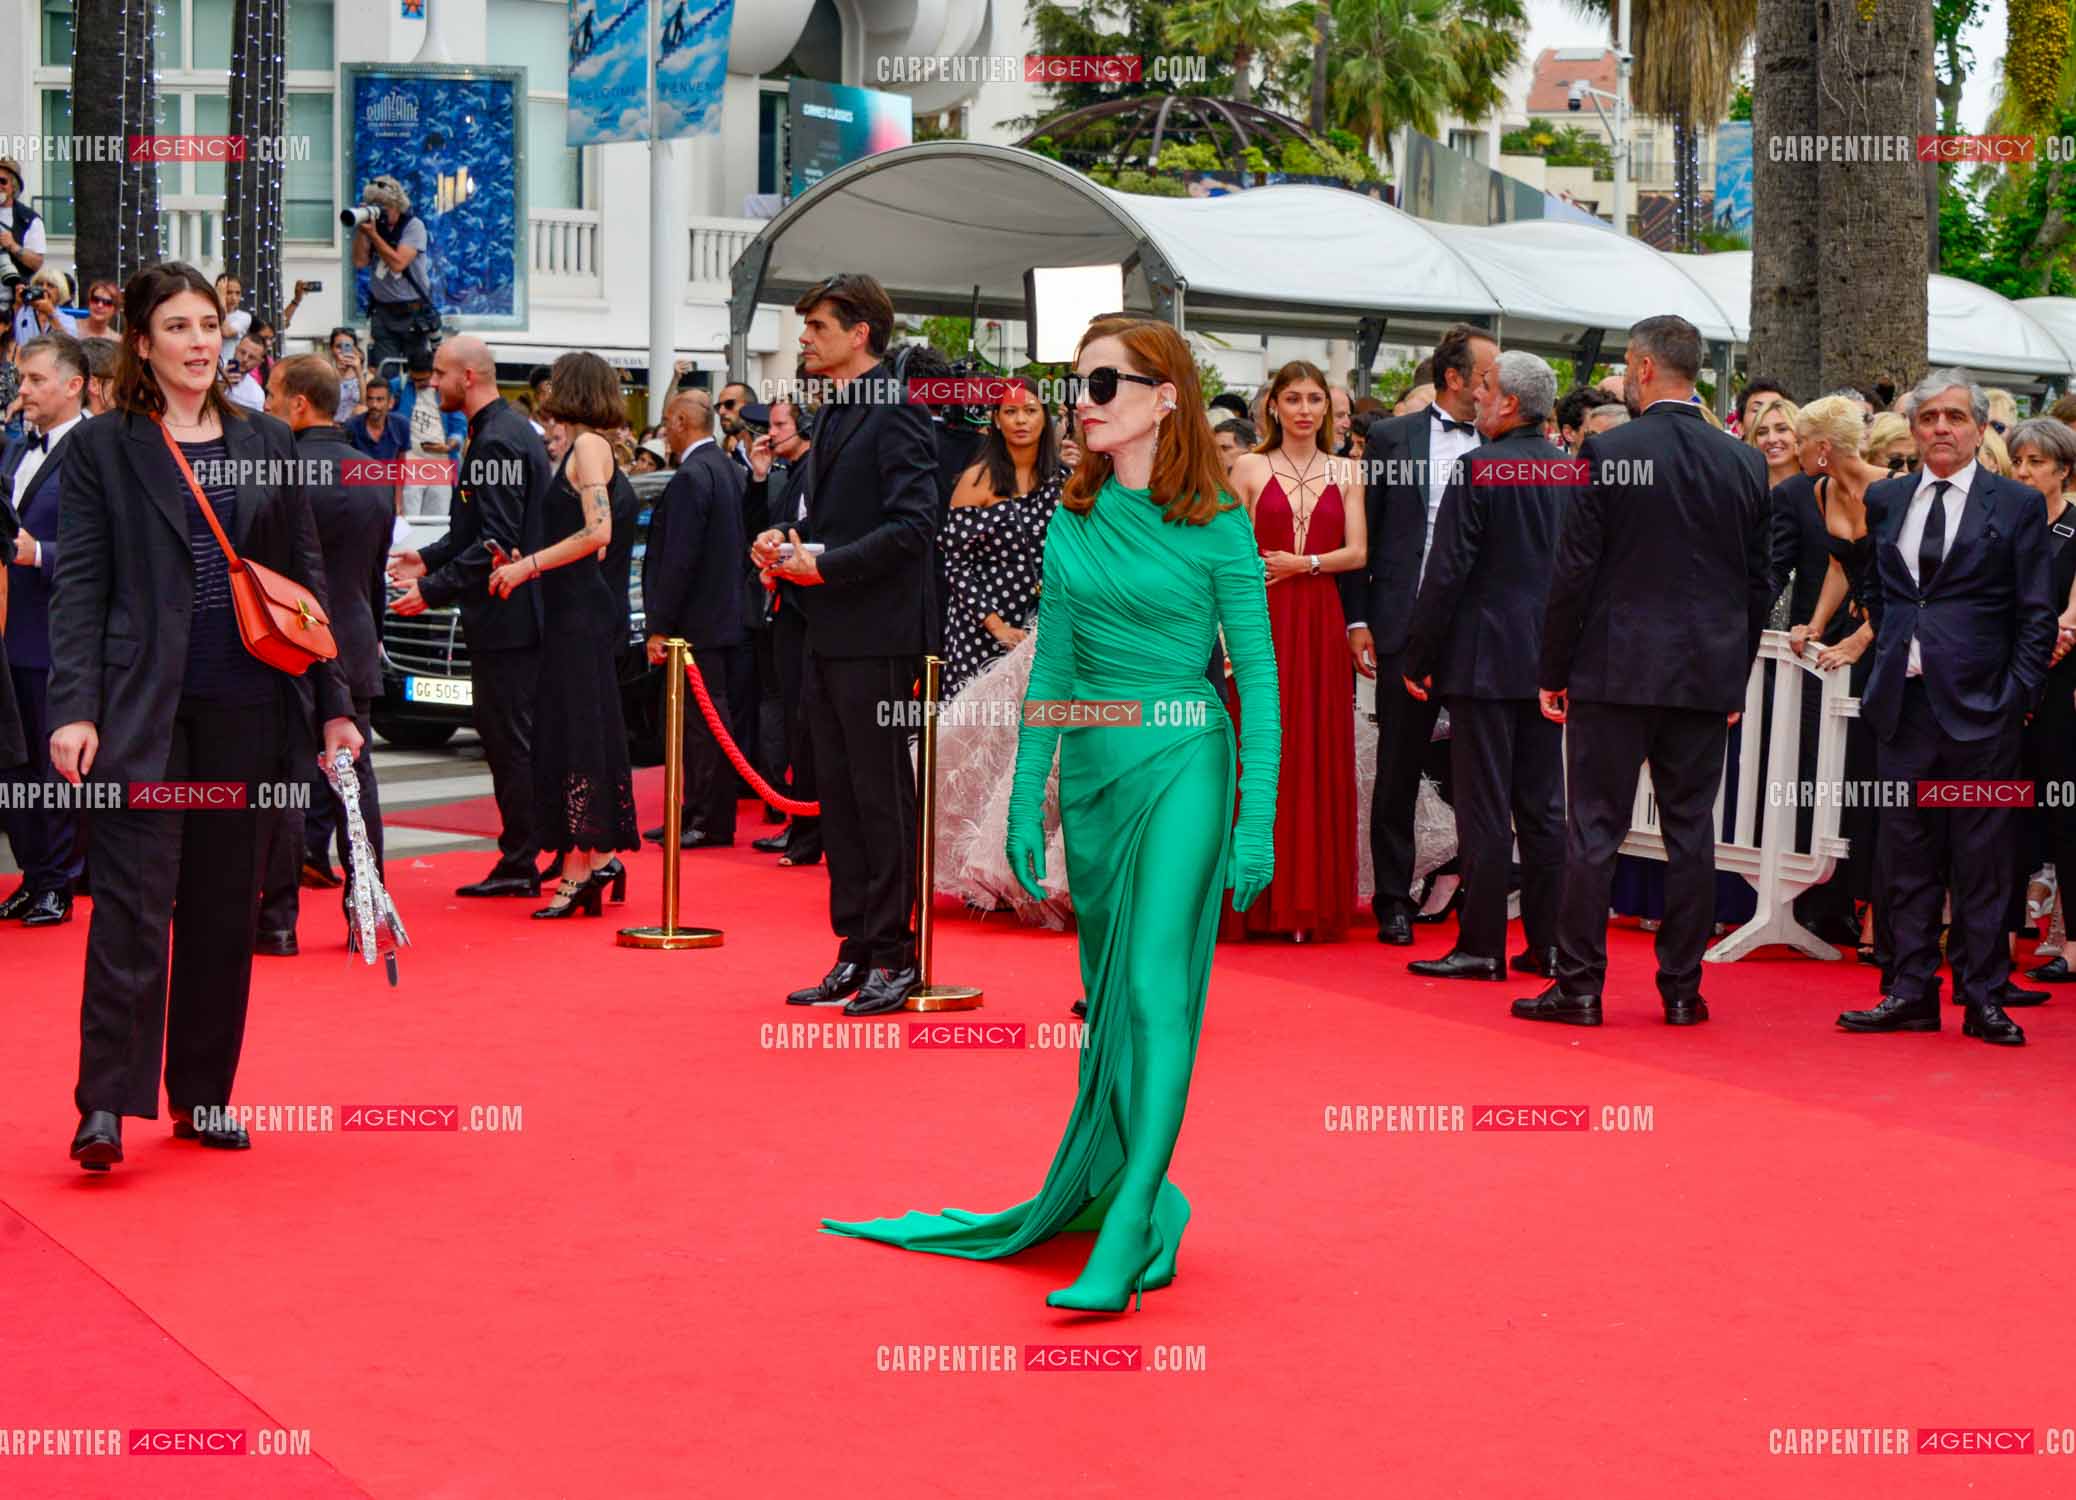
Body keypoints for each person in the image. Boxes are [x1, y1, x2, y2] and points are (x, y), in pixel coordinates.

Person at [821, 314, 1279, 1313]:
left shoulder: (1219, 522)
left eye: (1104, 383)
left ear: (1166, 398)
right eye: (1079, 384)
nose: (1084, 402)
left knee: (1155, 992)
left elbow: (1259, 678)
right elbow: (1055, 676)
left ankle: (1128, 1221)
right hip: (1096, 776)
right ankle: (1149, 1201)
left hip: (1186, 759)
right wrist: (1026, 803)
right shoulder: (1073, 519)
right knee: (1109, 1003)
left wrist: (1257, 822)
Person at [48, 262, 361, 1170]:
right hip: (141, 710)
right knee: (131, 906)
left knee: (225, 909)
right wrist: (74, 709)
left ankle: (203, 1093)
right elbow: (79, 587)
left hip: (249, 707)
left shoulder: (267, 437)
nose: (198, 343)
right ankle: (106, 1104)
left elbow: (303, 579)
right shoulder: (104, 447)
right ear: (141, 343)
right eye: (177, 327)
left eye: (208, 326)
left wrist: (334, 705)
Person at [1525, 313, 1772, 1028]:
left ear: (1641, 367)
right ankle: (1683, 991)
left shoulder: (1609, 450)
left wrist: (1552, 668)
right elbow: (1759, 582)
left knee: (1593, 830)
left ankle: (1579, 987)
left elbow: (1573, 572)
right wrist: (1733, 671)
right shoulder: (1744, 461)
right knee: (1692, 832)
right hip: (1704, 676)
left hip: (1615, 669)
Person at [1838, 370, 2055, 1046]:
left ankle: (1984, 996)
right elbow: (1880, 588)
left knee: (1981, 861)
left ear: (1979, 428)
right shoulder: (1886, 498)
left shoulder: (2015, 505)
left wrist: (2015, 696)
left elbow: (2036, 612)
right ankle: (1909, 990)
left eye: (1955, 417)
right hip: (1903, 708)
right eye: (1929, 416)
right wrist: (1893, 651)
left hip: (1984, 714)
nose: (1940, 428)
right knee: (1905, 859)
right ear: (1912, 426)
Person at [752, 274, 938, 1016]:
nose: (804, 339)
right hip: (826, 631)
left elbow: (914, 526)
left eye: (818, 327)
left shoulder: (898, 409)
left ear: (860, 333)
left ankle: (895, 953)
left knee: (881, 798)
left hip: (881, 637)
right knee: (840, 798)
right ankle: (856, 947)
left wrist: (823, 567)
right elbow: (826, 520)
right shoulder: (831, 413)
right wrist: (782, 541)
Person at [1401, 351, 1569, 982]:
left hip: (1483, 659)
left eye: (1487, 386)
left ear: (1511, 404)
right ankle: (1549, 946)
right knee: (1543, 807)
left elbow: (1447, 570)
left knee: (1484, 807)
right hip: (1547, 659)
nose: (1477, 394)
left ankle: (1481, 947)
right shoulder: (1571, 470)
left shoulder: (1478, 468)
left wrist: (1420, 655)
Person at [1345, 323, 1498, 944]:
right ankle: (1393, 898)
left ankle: (1476, 892)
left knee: (1480, 769)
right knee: (1399, 767)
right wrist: (1358, 619)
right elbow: (1366, 532)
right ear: (1455, 377)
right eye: (1486, 376)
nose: (1494, 387)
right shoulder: (1392, 437)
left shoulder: (1502, 439)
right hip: (1403, 624)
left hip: (1480, 629)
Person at [388, 336, 553, 897]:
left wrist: (430, 589)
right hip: (507, 617)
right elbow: (472, 530)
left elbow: (496, 540)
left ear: (470, 376)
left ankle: (522, 860)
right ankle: (530, 853)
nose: (432, 382)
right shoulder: (498, 432)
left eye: (440, 373)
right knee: (507, 738)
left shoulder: (500, 440)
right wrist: (427, 559)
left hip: (510, 620)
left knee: (509, 741)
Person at [487, 350, 640, 916]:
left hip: (581, 618)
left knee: (577, 737)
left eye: (555, 383)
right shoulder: (587, 447)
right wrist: (530, 561)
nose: (547, 393)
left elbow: (598, 531)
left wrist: (528, 567)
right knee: (581, 733)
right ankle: (600, 860)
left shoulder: (590, 446)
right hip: (577, 612)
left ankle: (579, 870)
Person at [253, 354, 395, 952]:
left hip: (286, 642)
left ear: (298, 403)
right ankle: (367, 913)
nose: (264, 405)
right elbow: (374, 573)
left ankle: (277, 922)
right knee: (355, 783)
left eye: (271, 394)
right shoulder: (373, 475)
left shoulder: (275, 471)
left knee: (285, 783)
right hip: (352, 639)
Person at [1223, 359, 1365, 940]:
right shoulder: (1248, 466)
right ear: (1273, 407)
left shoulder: (1348, 470)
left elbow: (1358, 552)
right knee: (1260, 747)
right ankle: (1253, 902)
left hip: (1321, 620)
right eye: (1294, 399)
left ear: (1326, 408)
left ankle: (1310, 902)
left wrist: (1304, 563)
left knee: (1315, 746)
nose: (1305, 409)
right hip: (1262, 618)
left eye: (1314, 399)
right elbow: (1228, 552)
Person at [0, 333, 90, 926]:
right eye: (21, 380)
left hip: (59, 639)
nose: (23, 390)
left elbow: (120, 546)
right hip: (8, 632)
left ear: (73, 385)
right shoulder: (12, 450)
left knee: (53, 769)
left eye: (35, 380)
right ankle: (34, 875)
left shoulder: (100, 451)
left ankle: (58, 880)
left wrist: (44, 555)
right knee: (11, 767)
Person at [644, 390, 748, 850]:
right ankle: (697, 813)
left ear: (683, 421)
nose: (664, 431)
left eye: (668, 421)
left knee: (701, 727)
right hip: (719, 617)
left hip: (695, 625)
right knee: (705, 725)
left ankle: (706, 818)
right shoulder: (722, 467)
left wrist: (660, 624)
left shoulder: (692, 475)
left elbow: (678, 559)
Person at [2004, 417, 2076, 987]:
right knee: (2002, 812)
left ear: (2063, 470)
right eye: (2018, 462)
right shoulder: (2002, 526)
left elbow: (2070, 619)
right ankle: (1996, 939)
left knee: (2065, 812)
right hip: (2005, 685)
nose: (2025, 472)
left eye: (2037, 463)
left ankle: (2071, 945)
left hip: (2060, 686)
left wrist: (2040, 651)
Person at [938, 383, 1067, 698]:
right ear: (996, 419)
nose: (1021, 420)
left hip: (1045, 629)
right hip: (979, 628)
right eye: (1010, 411)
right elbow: (954, 565)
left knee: (1036, 720)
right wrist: (996, 625)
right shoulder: (976, 480)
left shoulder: (1063, 480)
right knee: (977, 723)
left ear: (1045, 417)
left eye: (1030, 410)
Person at [743, 398, 821, 867]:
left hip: (804, 612)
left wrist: (780, 554)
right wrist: (757, 477)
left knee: (803, 723)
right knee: (792, 719)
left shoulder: (812, 472)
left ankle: (807, 830)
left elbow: (807, 533)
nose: (769, 434)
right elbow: (757, 527)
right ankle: (801, 824)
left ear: (803, 427)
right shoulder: (786, 472)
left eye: (778, 425)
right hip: (784, 610)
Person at [353, 176, 436, 370]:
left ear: (398, 205)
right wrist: (363, 231)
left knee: (416, 371)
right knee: (385, 371)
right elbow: (360, 262)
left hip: (412, 311)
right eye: (376, 206)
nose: (381, 212)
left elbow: (398, 264)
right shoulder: (374, 227)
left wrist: (374, 236)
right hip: (382, 312)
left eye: (385, 207)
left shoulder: (413, 226)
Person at [397, 348, 464, 516]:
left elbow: (459, 425)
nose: (418, 384)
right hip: (410, 462)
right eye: (414, 379)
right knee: (409, 516)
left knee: (438, 518)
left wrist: (449, 446)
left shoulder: (447, 389)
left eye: (423, 380)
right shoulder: (398, 386)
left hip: (441, 462)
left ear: (433, 372)